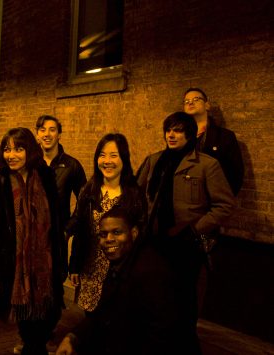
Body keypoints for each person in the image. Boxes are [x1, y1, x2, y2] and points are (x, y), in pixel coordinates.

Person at [137, 111, 236, 354]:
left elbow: (225, 205)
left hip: (186, 247)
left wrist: (194, 229)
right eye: (169, 130)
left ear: (190, 134)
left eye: (178, 130)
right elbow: (137, 196)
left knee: (184, 304)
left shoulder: (206, 165)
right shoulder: (154, 161)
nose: (172, 134)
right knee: (156, 300)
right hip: (154, 243)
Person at [0, 127, 67, 355]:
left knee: (50, 316)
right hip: (15, 265)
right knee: (30, 330)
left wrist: (61, 258)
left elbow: (56, 219)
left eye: (18, 149)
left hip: (45, 262)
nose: (12, 155)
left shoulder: (46, 176)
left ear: (29, 150)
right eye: (7, 149)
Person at [56, 205, 179, 354]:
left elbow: (162, 336)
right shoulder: (121, 262)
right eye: (103, 234)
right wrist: (72, 337)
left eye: (117, 232)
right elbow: (103, 312)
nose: (108, 239)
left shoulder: (150, 272)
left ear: (134, 233)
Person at [68, 133, 143, 312]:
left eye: (113, 155)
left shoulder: (133, 193)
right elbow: (80, 227)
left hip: (120, 269)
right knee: (91, 320)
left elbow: (139, 234)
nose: (107, 161)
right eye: (102, 155)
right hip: (91, 267)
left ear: (123, 158)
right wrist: (75, 266)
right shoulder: (89, 189)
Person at [183, 88, 244, 195]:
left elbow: (236, 172)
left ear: (207, 105)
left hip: (212, 197)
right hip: (184, 197)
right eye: (186, 101)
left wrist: (224, 199)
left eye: (196, 99)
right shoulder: (179, 135)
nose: (190, 102)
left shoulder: (225, 136)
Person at [35, 115, 86, 228]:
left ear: (59, 135)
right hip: (32, 235)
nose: (47, 134)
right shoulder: (30, 165)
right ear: (37, 135)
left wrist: (68, 228)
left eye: (52, 130)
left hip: (58, 235)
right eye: (42, 130)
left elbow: (85, 200)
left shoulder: (72, 165)